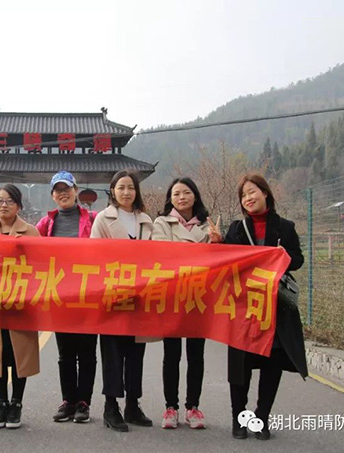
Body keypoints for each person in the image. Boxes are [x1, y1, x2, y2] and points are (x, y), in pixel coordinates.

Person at [224, 173, 307, 441]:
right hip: (243, 307)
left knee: (272, 365)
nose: (248, 198)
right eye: (243, 195)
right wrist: (217, 244)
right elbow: (225, 262)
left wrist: (281, 257)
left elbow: (298, 260)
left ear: (265, 193)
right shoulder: (237, 229)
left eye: (252, 192)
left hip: (274, 307)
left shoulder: (285, 227)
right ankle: (239, 418)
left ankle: (261, 417)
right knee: (240, 365)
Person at [152, 177, 222, 430]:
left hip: (198, 296)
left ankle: (193, 407)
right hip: (172, 295)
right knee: (171, 354)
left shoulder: (208, 225)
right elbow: (162, 254)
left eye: (186, 192)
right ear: (170, 198)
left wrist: (218, 243)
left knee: (196, 354)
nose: (181, 197)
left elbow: (217, 261)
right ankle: (170, 407)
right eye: (176, 193)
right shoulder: (161, 223)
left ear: (195, 196)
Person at [90, 169, 154, 432]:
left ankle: (132, 405)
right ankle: (110, 407)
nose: (126, 192)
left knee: (136, 353)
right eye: (121, 187)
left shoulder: (147, 221)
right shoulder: (102, 219)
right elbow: (94, 256)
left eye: (131, 187)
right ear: (113, 191)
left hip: (140, 296)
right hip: (113, 295)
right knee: (113, 353)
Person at [36, 171, 97, 424]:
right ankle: (68, 400)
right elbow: (28, 249)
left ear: (76, 191)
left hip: (89, 294)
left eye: (67, 188)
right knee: (65, 353)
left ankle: (84, 402)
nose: (63, 193)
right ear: (53, 195)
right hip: (59, 295)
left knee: (87, 352)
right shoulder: (45, 224)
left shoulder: (93, 219)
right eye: (58, 190)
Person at [0, 184, 41, 430]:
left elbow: (41, 267)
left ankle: (16, 403)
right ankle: (0, 403)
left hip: (21, 305)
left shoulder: (31, 232)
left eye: (9, 201)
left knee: (18, 355)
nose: (3, 205)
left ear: (18, 206)